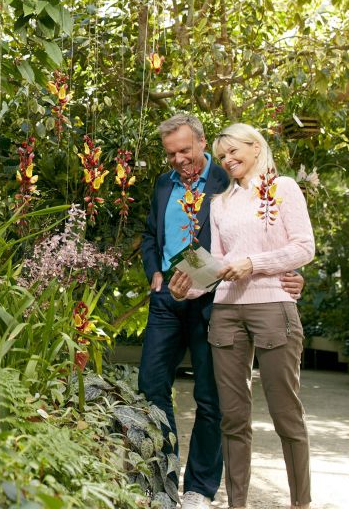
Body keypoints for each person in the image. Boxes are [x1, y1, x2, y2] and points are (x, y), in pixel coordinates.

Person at [139, 115, 304, 509]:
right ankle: (163, 480)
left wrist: (288, 272)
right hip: (168, 301)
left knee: (212, 399)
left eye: (185, 150)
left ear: (201, 142)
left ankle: (199, 487)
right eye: (171, 154)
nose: (179, 159)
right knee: (150, 387)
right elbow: (150, 234)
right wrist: (157, 274)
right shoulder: (165, 185)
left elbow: (254, 237)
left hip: (217, 301)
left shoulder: (229, 182)